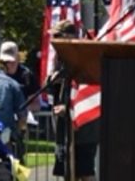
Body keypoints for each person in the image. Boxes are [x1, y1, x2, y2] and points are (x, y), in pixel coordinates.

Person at [48, 19, 98, 181]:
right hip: (65, 128)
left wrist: (69, 108)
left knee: (85, 171)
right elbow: (50, 90)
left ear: (68, 37)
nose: (53, 41)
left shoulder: (83, 59)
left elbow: (89, 94)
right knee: (68, 171)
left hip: (83, 128)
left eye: (57, 36)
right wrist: (52, 79)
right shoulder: (60, 62)